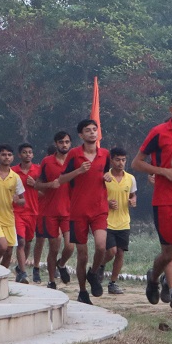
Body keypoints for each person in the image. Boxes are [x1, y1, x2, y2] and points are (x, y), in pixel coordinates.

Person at [133, 91, 172, 309]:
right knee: (169, 253)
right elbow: (137, 163)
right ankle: (153, 279)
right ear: (171, 109)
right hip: (165, 201)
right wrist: (163, 171)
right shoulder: (159, 132)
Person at [54, 119, 111, 304]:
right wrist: (78, 171)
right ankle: (82, 291)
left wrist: (108, 176)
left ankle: (93, 273)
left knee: (101, 246)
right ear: (81, 135)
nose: (92, 133)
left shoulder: (105, 154)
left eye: (95, 129)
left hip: (99, 209)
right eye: (88, 130)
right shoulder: (74, 154)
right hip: (78, 211)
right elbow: (62, 179)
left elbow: (106, 173)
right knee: (82, 254)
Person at [36, 132, 74, 289]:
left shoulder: (74, 162)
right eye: (61, 142)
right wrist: (49, 185)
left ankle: (62, 264)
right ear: (56, 143)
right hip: (50, 211)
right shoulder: (47, 162)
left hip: (69, 211)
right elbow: (37, 185)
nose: (64, 145)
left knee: (70, 246)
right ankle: (51, 281)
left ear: (70, 143)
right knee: (54, 248)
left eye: (67, 142)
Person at [102, 147, 137, 295]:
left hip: (124, 221)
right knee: (111, 251)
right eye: (117, 160)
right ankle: (100, 265)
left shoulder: (130, 178)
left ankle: (113, 282)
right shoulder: (105, 177)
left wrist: (133, 200)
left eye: (123, 160)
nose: (120, 163)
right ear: (111, 160)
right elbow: (96, 197)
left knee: (120, 253)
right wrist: (107, 203)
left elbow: (133, 195)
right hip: (107, 221)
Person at [12, 143, 41, 283]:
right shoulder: (13, 171)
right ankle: (23, 273)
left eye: (30, 152)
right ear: (19, 155)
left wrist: (35, 185)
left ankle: (19, 267)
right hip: (18, 211)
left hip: (33, 211)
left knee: (28, 242)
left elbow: (45, 191)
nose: (27, 154)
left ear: (33, 154)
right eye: (24, 152)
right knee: (21, 241)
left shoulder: (38, 170)